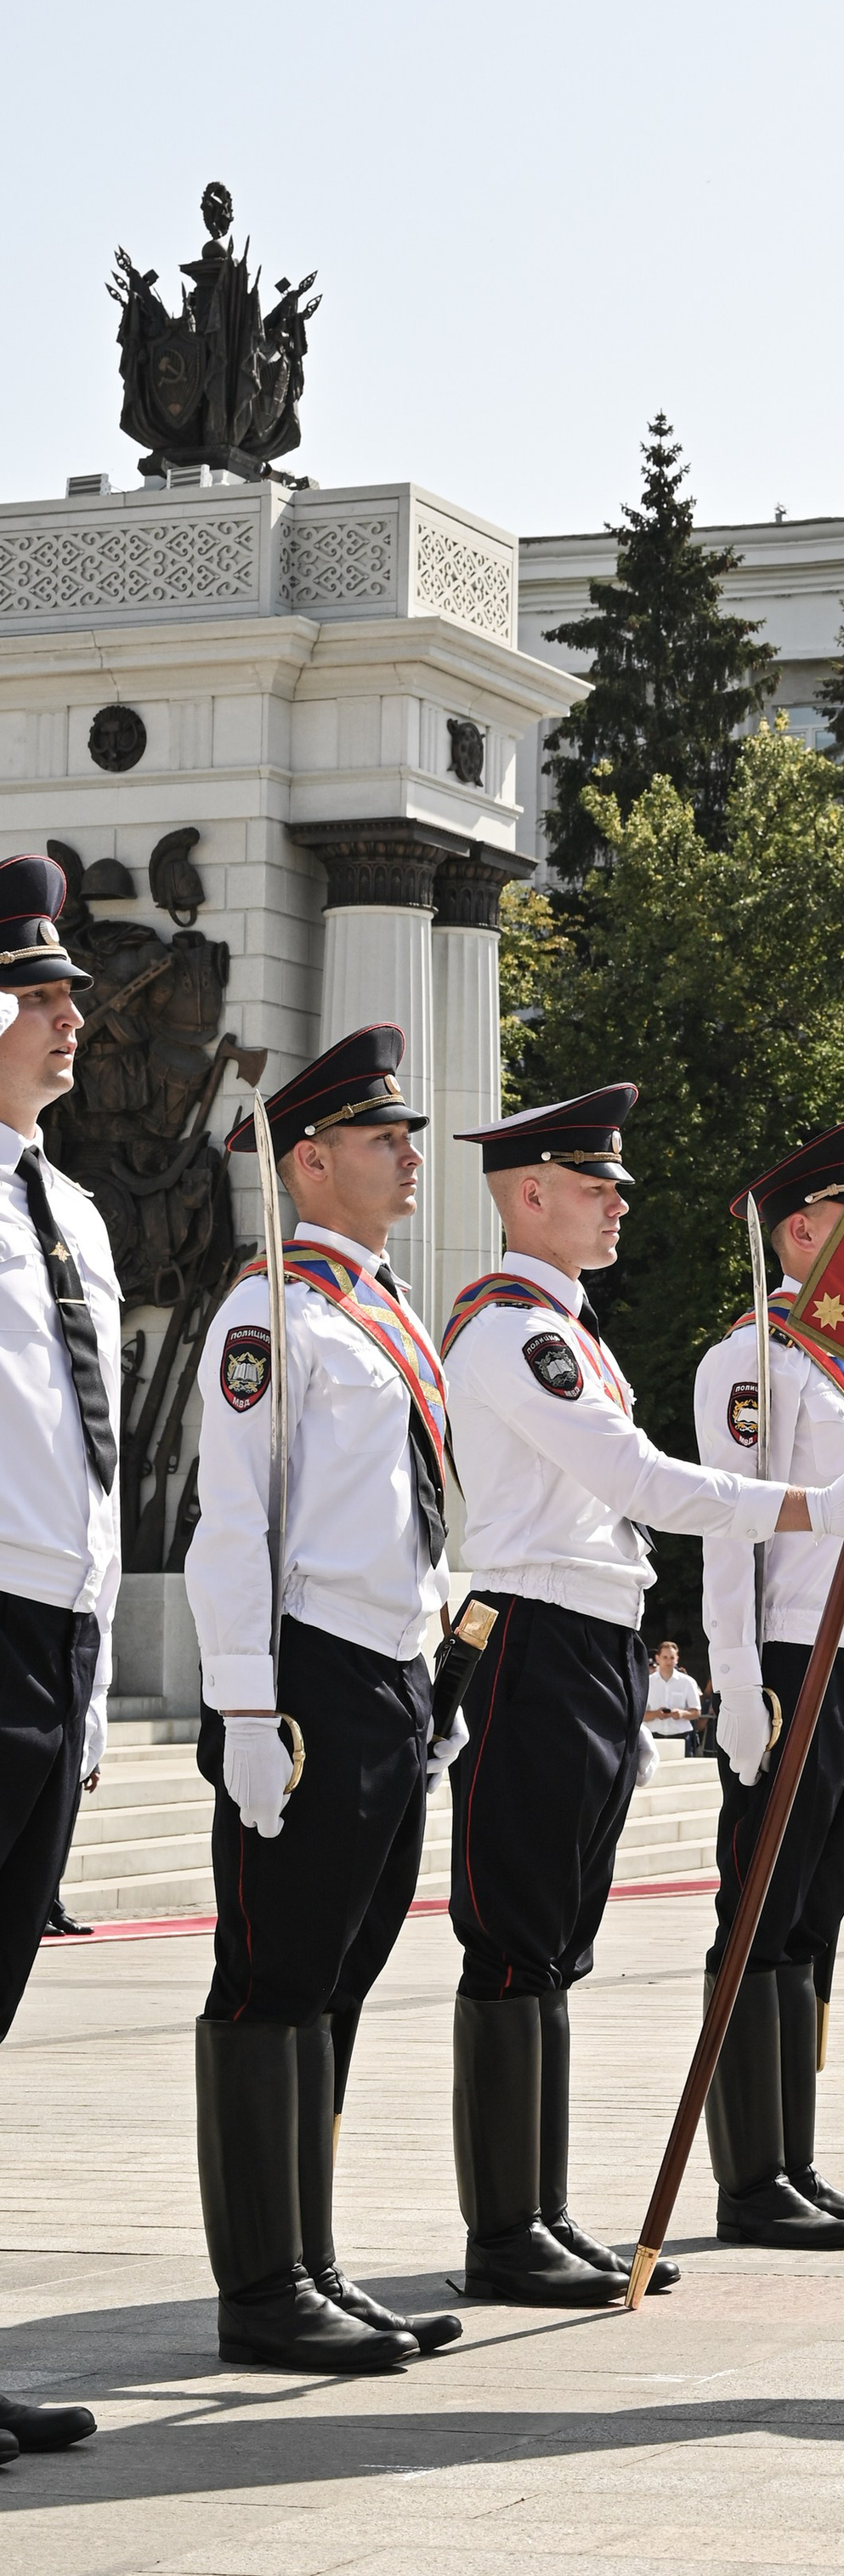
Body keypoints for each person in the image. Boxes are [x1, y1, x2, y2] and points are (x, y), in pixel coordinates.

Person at [440, 1088, 844, 2305]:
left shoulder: (571, 1331)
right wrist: (808, 1524)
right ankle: (508, 2226)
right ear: (528, 1192)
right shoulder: (510, 1331)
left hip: (593, 1634)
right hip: (534, 1631)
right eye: (597, 1183)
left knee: (559, 1941)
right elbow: (639, 1480)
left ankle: (542, 2210)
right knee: (517, 1941)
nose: (621, 1200)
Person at [187, 1024, 463, 2375]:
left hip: (390, 1676)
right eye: (382, 1136)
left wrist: (438, 1672)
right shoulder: (268, 1313)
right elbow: (232, 1522)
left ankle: (315, 2260)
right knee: (271, 1980)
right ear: (309, 1160)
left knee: (339, 1982)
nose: (410, 1152)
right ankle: (260, 2288)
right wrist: (242, 1705)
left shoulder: (388, 1307)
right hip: (305, 1681)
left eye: (407, 1133)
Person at [694, 1116, 844, 2255]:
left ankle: (797, 2161)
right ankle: (749, 2177)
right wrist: (736, 1682)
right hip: (790, 1656)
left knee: (816, 1914)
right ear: (799, 1228)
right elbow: (729, 1535)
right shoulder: (754, 1360)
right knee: (762, 1914)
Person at [0, 865, 116, 2455]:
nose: (72, 1017)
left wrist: (90, 1680)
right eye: (38, 996)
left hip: (58, 1631)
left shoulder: (71, 1205)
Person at [647, 1639, 704, 1756]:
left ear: (677, 1659)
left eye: (672, 1658)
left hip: (681, 1737)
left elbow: (697, 1711)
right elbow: (639, 1714)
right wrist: (656, 1714)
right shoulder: (647, 1683)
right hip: (654, 1737)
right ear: (658, 1658)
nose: (668, 1661)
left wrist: (682, 1714)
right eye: (665, 1657)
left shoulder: (688, 1682)